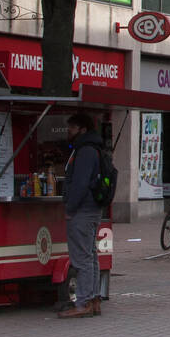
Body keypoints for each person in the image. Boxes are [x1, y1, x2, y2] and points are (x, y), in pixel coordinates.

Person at [59, 113, 104, 318]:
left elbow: (80, 183)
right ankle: (93, 299)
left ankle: (83, 302)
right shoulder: (95, 148)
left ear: (82, 130)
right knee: (91, 255)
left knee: (82, 258)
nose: (68, 132)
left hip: (82, 210)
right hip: (92, 208)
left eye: (72, 128)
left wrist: (70, 208)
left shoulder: (84, 151)